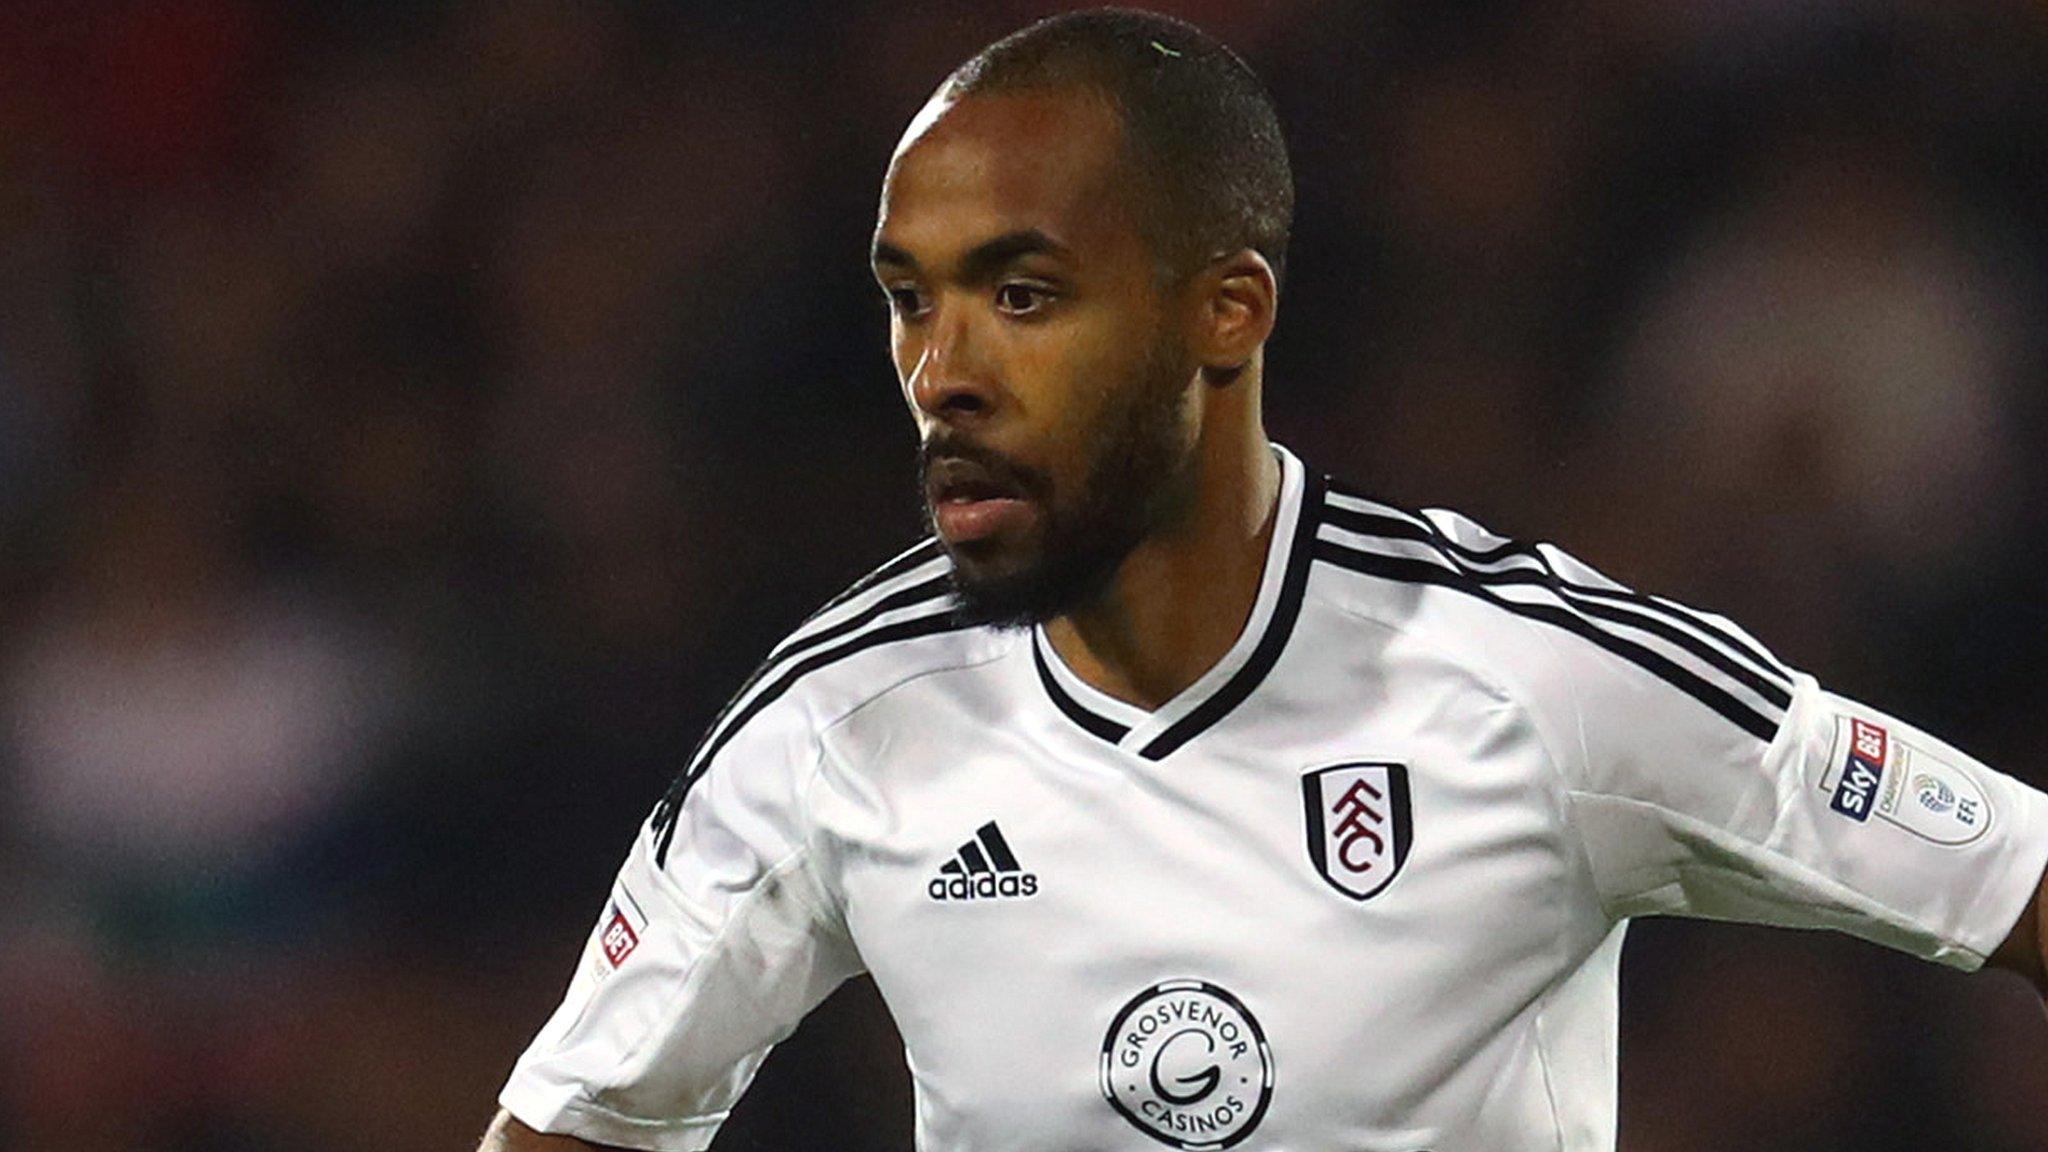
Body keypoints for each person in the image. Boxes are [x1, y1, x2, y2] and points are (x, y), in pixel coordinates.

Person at [479, 9, 2048, 1150]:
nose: (941, 372)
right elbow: (585, 1117)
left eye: (1021, 294)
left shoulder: (1533, 678)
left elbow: (2013, 879)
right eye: (911, 301)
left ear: (1225, 311)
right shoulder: (839, 719)